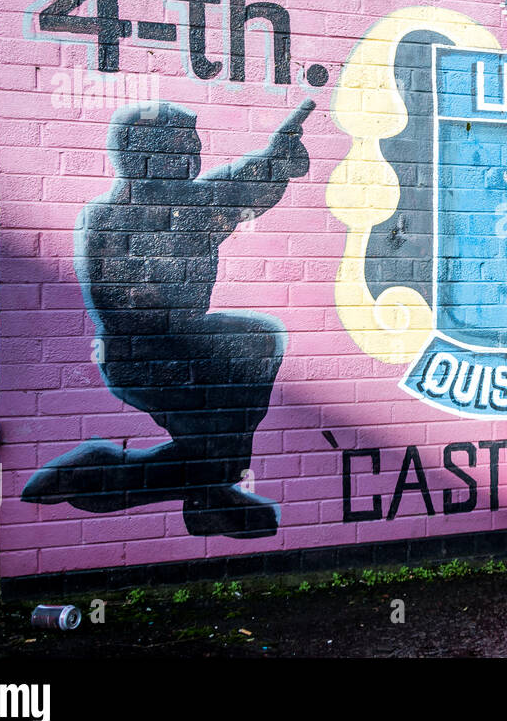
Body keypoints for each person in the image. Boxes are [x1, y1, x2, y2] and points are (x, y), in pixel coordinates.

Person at [22, 100, 314, 538]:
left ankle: (145, 482)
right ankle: (201, 490)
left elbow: (242, 187)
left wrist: (280, 154)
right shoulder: (106, 218)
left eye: (194, 150)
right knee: (217, 404)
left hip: (187, 344)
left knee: (259, 338)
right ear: (142, 156)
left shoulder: (193, 204)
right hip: (141, 357)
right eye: (181, 150)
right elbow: (125, 308)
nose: (193, 160)